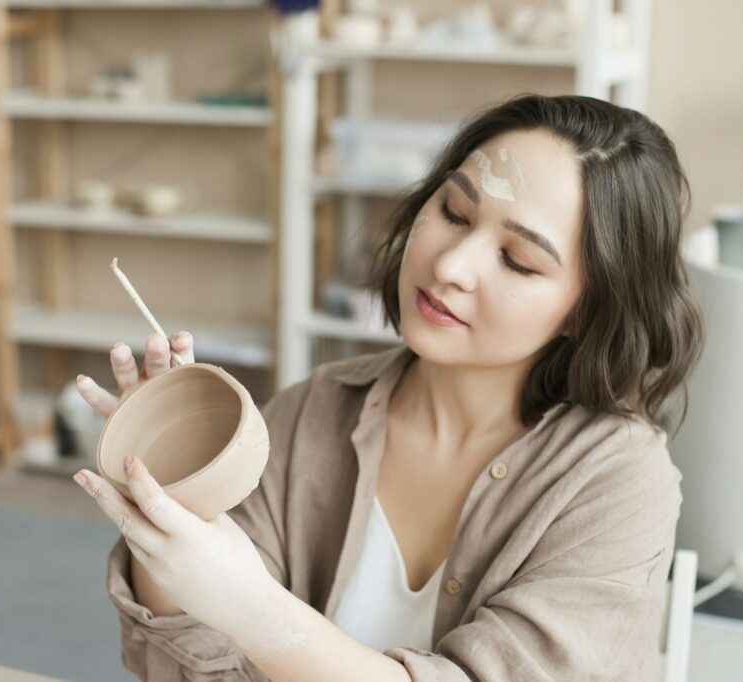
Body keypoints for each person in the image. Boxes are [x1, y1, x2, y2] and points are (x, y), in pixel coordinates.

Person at [73, 93, 705, 681]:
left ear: (588, 309)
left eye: (518, 260)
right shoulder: (310, 412)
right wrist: (167, 500)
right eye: (454, 213)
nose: (451, 266)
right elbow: (190, 671)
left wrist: (253, 608)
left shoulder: (617, 480)